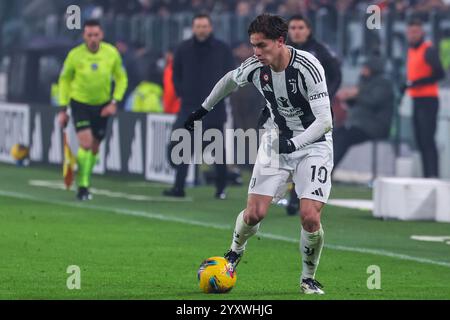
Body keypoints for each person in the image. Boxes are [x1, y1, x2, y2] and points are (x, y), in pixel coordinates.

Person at [185, 14, 333, 294]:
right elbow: (229, 80)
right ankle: (234, 252)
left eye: (261, 46)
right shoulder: (255, 66)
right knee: (254, 213)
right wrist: (203, 109)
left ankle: (308, 277)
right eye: (253, 45)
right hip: (276, 141)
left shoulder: (308, 66)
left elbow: (325, 121)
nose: (255, 52)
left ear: (280, 41)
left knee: (310, 216)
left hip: (313, 145)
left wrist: (296, 143)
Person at [163, 13, 234, 199]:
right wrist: (182, 93)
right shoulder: (183, 48)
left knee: (217, 150)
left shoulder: (222, 49)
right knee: (180, 145)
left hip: (215, 107)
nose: (201, 29)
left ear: (210, 27)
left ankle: (220, 189)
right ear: (193, 28)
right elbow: (175, 74)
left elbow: (233, 76)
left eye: (204, 26)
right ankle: (179, 187)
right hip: (189, 106)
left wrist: (223, 95)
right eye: (198, 26)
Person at [58, 19, 128, 200]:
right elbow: (64, 80)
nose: (93, 38)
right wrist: (63, 107)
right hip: (80, 103)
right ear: (84, 36)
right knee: (86, 144)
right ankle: (83, 186)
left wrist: (114, 102)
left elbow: (121, 78)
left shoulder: (111, 53)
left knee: (95, 148)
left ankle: (83, 168)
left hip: (103, 105)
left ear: (102, 35)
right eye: (89, 35)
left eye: (96, 34)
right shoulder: (75, 55)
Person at [283, 14, 342, 215]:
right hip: (288, 112)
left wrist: (325, 98)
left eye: (300, 27)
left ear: (308, 30)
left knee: (306, 155)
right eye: (293, 27)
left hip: (313, 115)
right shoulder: (283, 51)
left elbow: (336, 75)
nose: (296, 31)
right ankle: (288, 194)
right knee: (287, 154)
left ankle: (296, 198)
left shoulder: (320, 50)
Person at [333, 56, 395, 169]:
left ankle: (329, 170)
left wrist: (356, 94)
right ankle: (324, 169)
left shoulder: (384, 84)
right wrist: (348, 97)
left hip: (375, 126)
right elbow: (356, 103)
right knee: (336, 134)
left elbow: (373, 101)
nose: (362, 70)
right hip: (359, 124)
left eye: (365, 67)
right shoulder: (364, 81)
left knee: (344, 138)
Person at [405, 18, 445, 178]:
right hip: (416, 98)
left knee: (428, 139)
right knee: (420, 140)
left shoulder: (428, 50)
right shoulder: (411, 51)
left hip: (428, 99)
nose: (412, 35)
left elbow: (440, 74)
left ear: (422, 32)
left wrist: (416, 82)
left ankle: (432, 175)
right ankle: (426, 176)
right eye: (410, 32)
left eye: (415, 32)